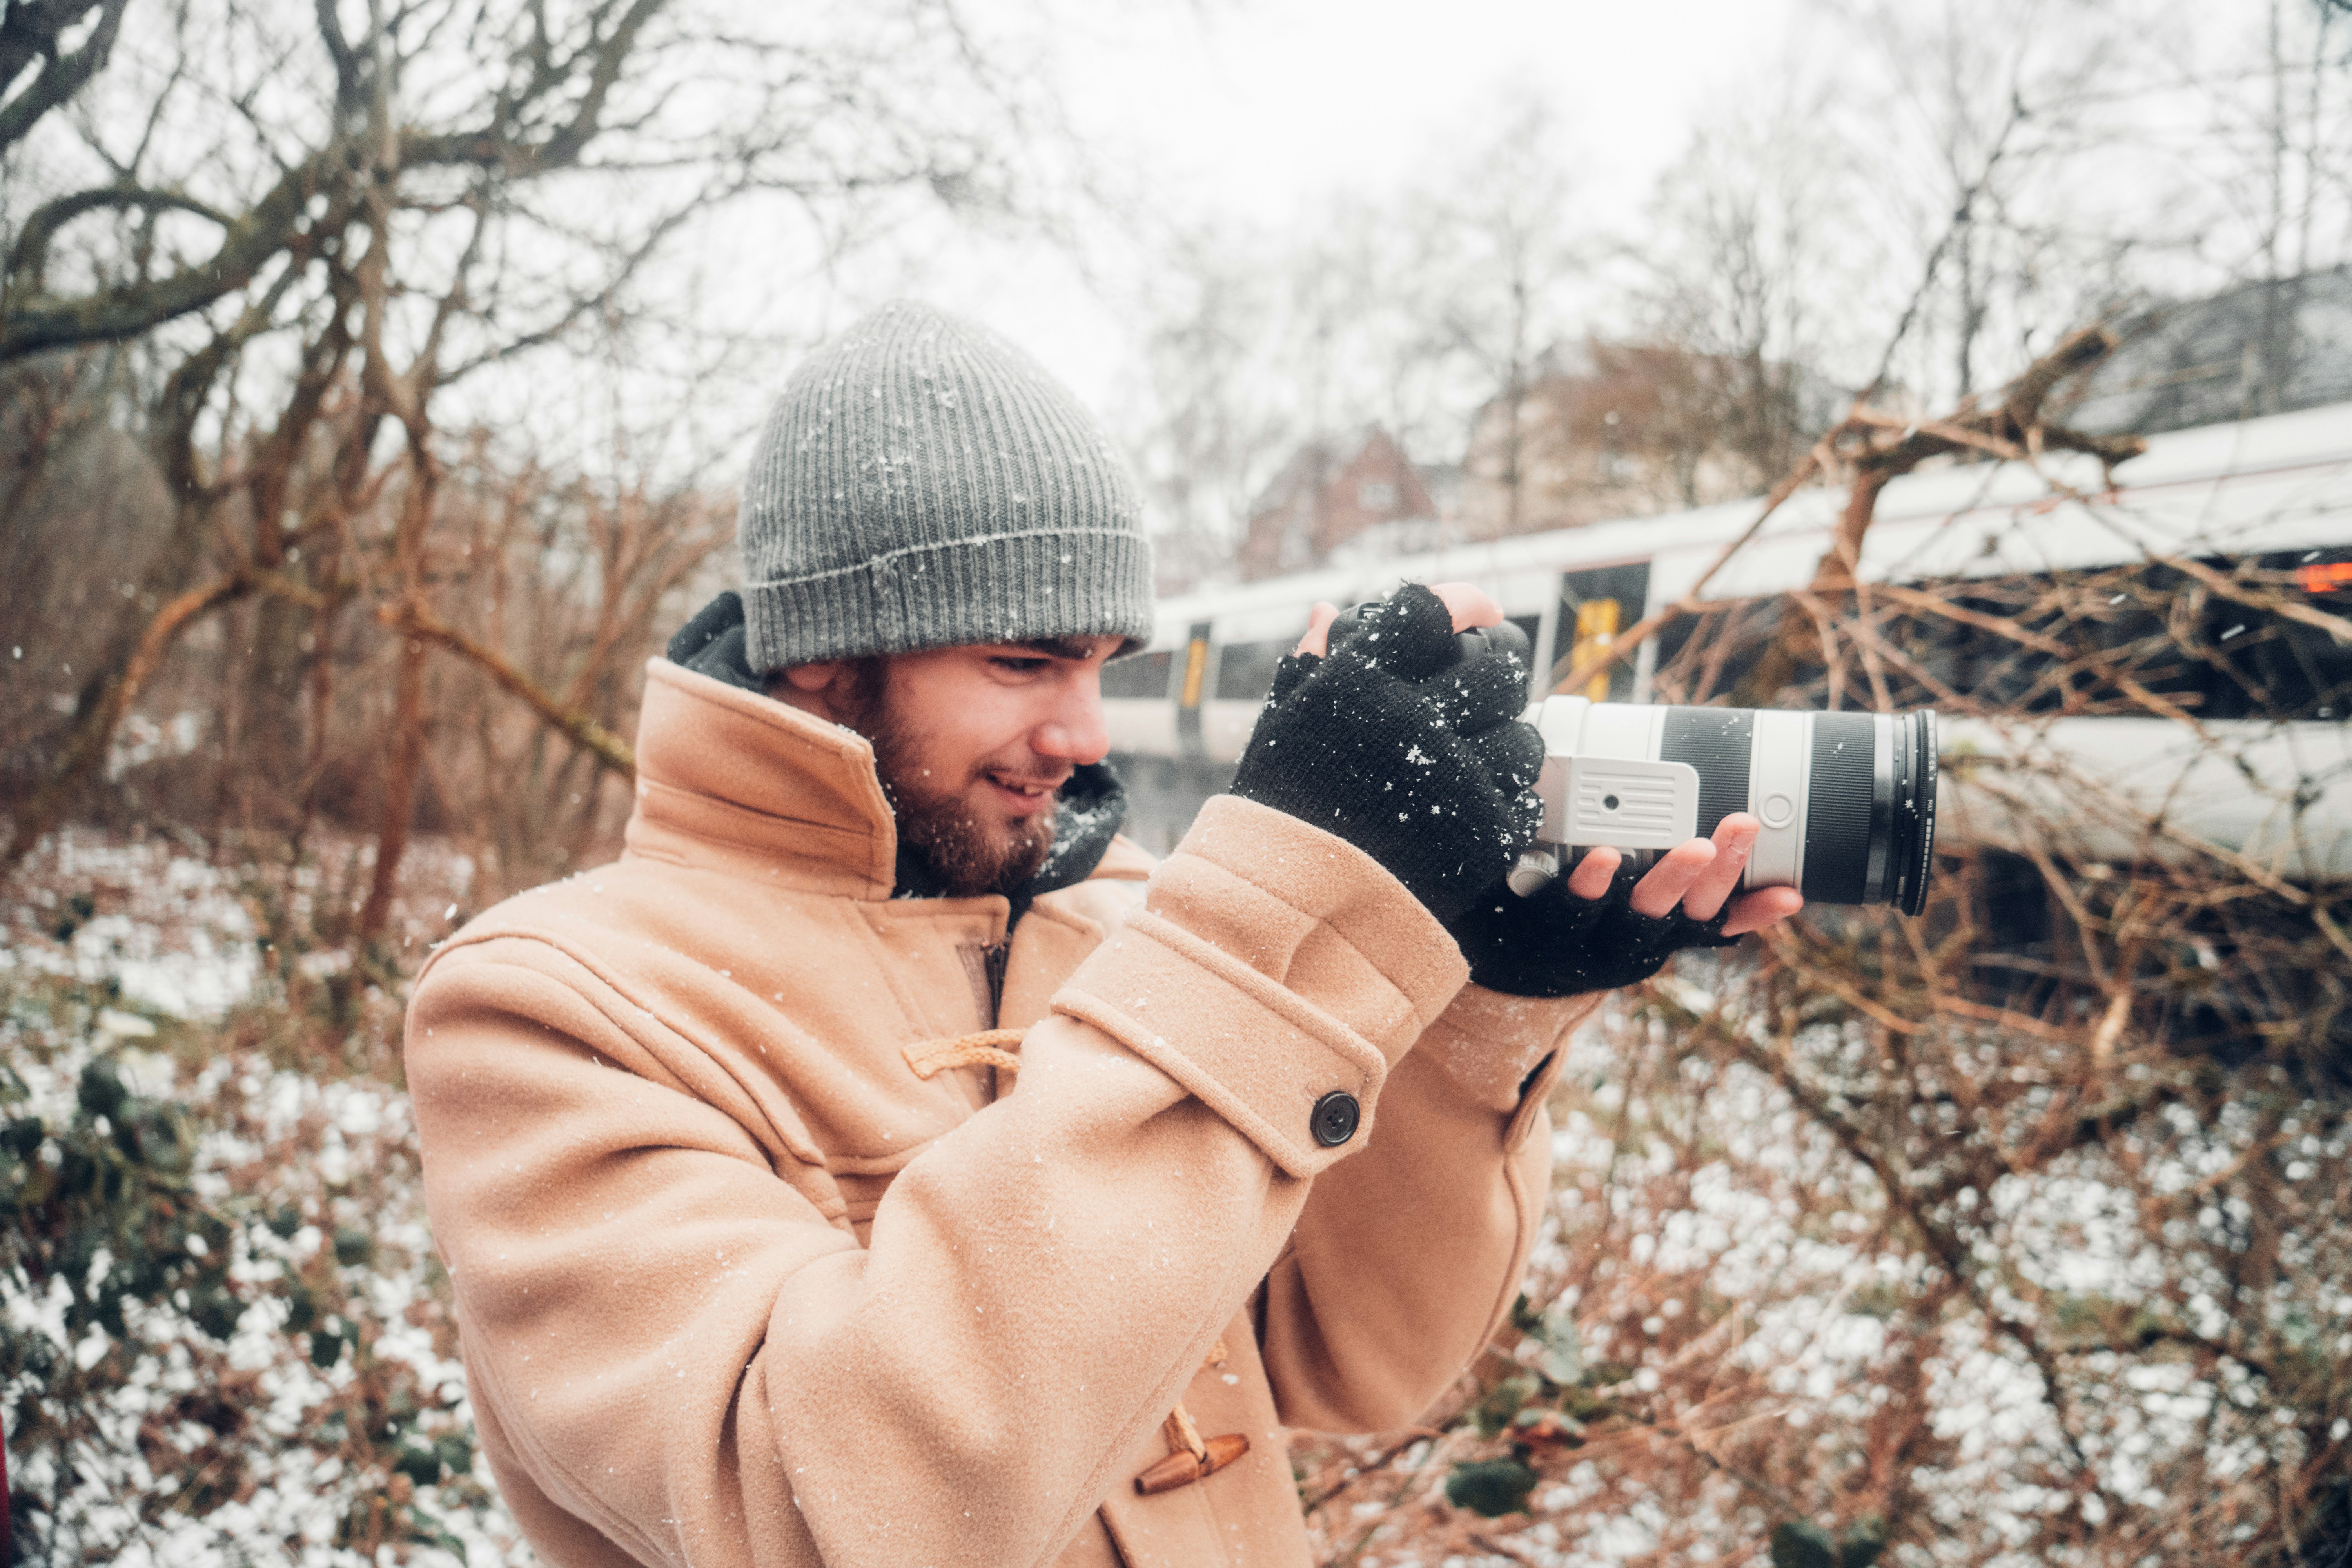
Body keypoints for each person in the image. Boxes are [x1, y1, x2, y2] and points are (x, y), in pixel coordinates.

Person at [403, 301, 1799, 1568]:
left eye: (1094, 668)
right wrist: (1270, 929)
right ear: (822, 658)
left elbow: (1346, 1363)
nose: (1080, 735)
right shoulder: (552, 1009)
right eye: (1020, 662)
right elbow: (809, 1513)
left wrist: (1474, 1020)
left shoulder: (1122, 907)